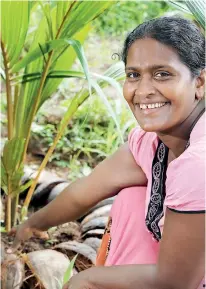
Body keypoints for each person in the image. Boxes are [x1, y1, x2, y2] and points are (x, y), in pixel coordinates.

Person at [10, 16, 205, 289]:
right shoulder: (154, 143)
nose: (144, 90)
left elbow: (176, 281)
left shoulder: (199, 161)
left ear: (200, 82)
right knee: (131, 200)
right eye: (134, 75)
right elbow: (85, 191)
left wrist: (87, 280)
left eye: (163, 74)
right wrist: (30, 224)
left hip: (183, 278)